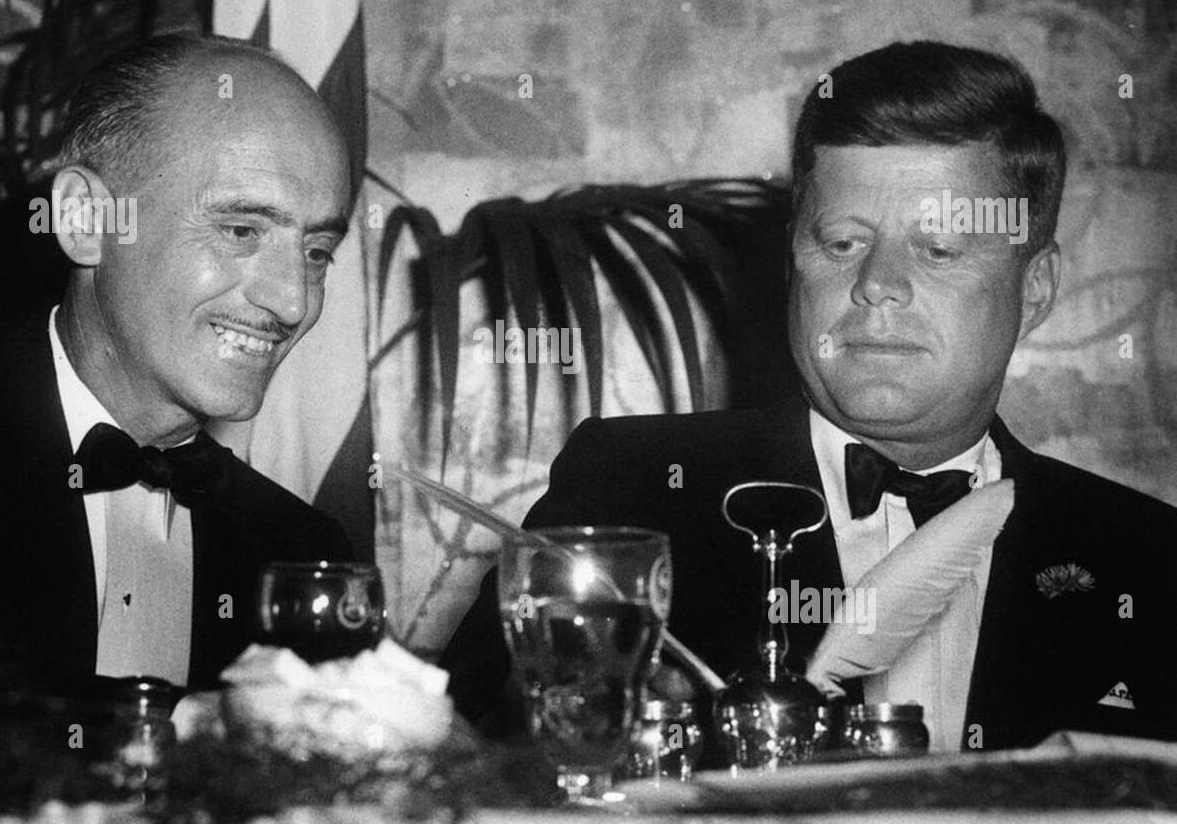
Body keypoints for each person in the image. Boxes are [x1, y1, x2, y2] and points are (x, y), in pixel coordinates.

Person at [442, 41, 1177, 752]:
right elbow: (457, 751)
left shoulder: (1146, 556)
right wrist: (568, 717)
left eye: (940, 249)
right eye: (842, 244)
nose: (876, 285)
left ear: (1037, 288)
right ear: (793, 260)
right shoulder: (631, 491)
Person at [0, 33, 353, 696]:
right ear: (84, 220)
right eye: (241, 231)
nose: (292, 300)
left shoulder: (304, 554)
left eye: (317, 252)